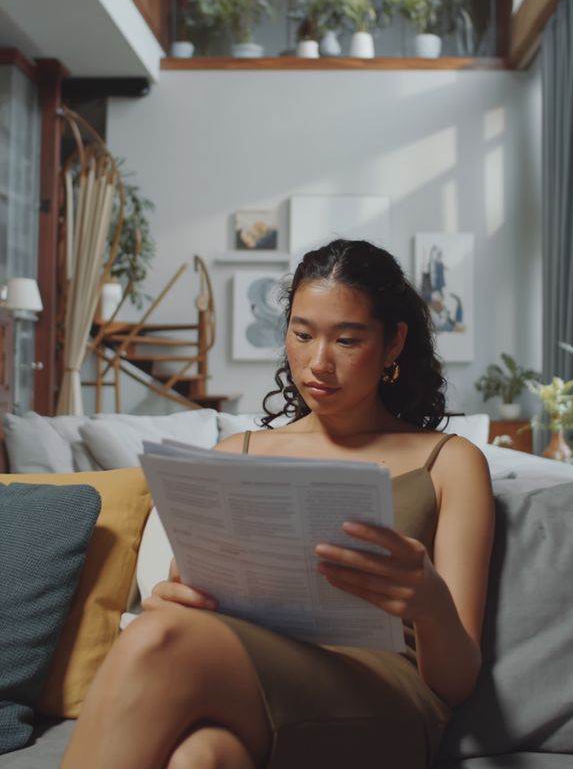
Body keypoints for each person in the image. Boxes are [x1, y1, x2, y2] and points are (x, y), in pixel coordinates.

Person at [61, 239, 494, 769]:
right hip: (250, 679)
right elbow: (188, 605)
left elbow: (456, 684)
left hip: (386, 697)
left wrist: (428, 600)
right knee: (199, 758)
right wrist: (176, 600)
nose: (319, 363)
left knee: (156, 642)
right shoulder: (235, 454)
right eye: (302, 334)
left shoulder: (450, 463)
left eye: (349, 340)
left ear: (394, 343)